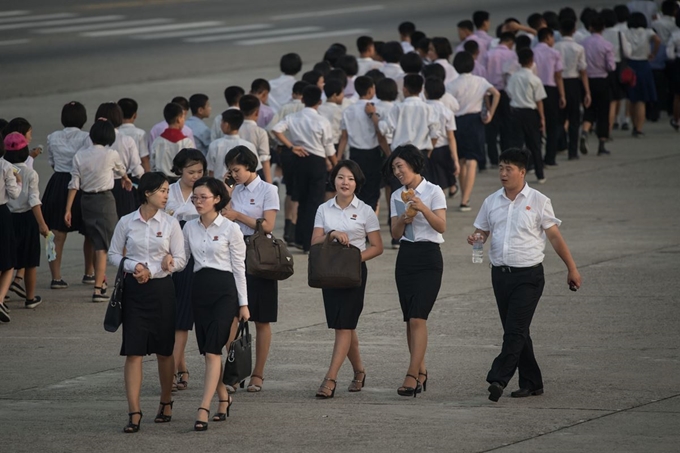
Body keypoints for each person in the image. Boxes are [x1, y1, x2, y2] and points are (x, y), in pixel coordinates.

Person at [468, 147, 582, 402]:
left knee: (514, 331)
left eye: (509, 169)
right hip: (500, 275)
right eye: (500, 168)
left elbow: (554, 237)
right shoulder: (491, 201)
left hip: (528, 276)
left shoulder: (539, 200)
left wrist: (571, 268)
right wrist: (477, 238)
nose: (503, 173)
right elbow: (482, 231)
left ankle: (498, 378)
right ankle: (532, 382)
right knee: (518, 331)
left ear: (522, 172)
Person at [108, 172, 186, 433]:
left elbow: (181, 259)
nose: (167, 195)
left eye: (167, 190)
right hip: (134, 291)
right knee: (134, 351)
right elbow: (114, 254)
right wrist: (134, 266)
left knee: (165, 351)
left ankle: (166, 402)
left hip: (162, 290)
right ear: (147, 193)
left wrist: (152, 269)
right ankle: (134, 411)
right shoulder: (126, 222)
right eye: (162, 191)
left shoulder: (171, 223)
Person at [311, 160, 383, 398]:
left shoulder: (365, 210)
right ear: (334, 180)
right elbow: (314, 241)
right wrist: (331, 234)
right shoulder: (324, 208)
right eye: (341, 177)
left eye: (350, 179)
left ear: (356, 183)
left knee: (344, 325)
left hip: (354, 274)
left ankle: (330, 378)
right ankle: (359, 371)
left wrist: (354, 260)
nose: (345, 182)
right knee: (344, 325)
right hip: (329, 273)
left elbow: (377, 246)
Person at [183, 177, 249, 431]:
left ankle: (203, 408)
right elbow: (182, 260)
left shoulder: (231, 229)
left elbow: (239, 268)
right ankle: (224, 397)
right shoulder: (189, 227)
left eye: (203, 197)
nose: (198, 202)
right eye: (195, 197)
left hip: (225, 293)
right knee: (207, 352)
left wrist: (243, 304)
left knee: (213, 351)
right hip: (199, 292)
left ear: (217, 199)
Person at [387, 145, 446, 397]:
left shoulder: (433, 191)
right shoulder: (395, 196)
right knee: (409, 318)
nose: (397, 172)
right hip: (406, 257)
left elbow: (441, 226)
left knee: (418, 317)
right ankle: (420, 370)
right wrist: (403, 218)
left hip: (429, 257)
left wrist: (422, 208)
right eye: (394, 168)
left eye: (400, 166)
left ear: (413, 164)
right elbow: (395, 234)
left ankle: (411, 375)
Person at [223, 146, 280, 393]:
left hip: (259, 254)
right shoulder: (231, 190)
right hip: (232, 251)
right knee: (231, 314)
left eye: (236, 170)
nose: (233, 174)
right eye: (230, 170)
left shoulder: (269, 190)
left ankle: (258, 374)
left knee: (262, 318)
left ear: (250, 166)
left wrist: (237, 214)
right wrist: (226, 193)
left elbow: (267, 225)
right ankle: (235, 371)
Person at [64, 119, 133, 303]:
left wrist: (68, 209)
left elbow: (74, 184)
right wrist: (126, 179)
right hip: (104, 201)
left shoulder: (80, 155)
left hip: (86, 201)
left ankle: (101, 281)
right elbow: (121, 170)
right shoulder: (111, 154)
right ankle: (100, 287)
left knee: (96, 242)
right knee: (112, 243)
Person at [272, 85, 338, 252]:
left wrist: (291, 146)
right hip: (317, 162)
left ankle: (300, 239)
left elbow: (276, 130)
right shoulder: (322, 121)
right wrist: (336, 164)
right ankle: (311, 242)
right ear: (320, 102)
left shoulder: (293, 117)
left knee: (301, 200)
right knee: (315, 202)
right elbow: (329, 147)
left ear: (302, 100)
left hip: (298, 160)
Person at [41, 101, 94, 289]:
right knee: (88, 232)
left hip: (58, 183)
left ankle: (56, 277)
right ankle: (89, 273)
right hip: (80, 183)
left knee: (56, 234)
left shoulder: (52, 137)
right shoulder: (87, 137)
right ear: (83, 118)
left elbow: (52, 162)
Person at [166, 148, 205, 392]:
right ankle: (180, 366)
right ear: (179, 170)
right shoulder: (167, 191)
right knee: (170, 316)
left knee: (182, 318)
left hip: (194, 258)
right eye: (191, 171)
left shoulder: (205, 193)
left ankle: (174, 368)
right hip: (167, 258)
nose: (195, 176)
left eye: (200, 171)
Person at [446, 52, 500, 211]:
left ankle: (464, 195)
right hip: (475, 121)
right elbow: (496, 93)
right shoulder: (480, 81)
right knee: (472, 161)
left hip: (458, 121)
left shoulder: (452, 84)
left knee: (461, 160)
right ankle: (465, 199)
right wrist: (491, 113)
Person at [4, 132, 49, 309]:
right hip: (27, 218)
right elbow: (34, 200)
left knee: (6, 258)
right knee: (30, 260)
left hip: (7, 217)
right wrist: (42, 224)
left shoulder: (4, 168)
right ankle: (30, 298)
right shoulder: (30, 173)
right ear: (25, 152)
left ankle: (3, 294)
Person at [338, 76, 385, 211]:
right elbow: (380, 134)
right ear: (371, 90)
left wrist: (339, 157)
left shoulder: (348, 111)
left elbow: (344, 137)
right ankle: (369, 219)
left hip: (355, 154)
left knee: (358, 188)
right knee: (373, 189)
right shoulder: (374, 110)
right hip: (373, 153)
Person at [93, 102, 144, 218]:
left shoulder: (90, 139)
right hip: (122, 185)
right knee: (125, 224)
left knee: (97, 228)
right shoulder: (127, 140)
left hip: (97, 185)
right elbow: (137, 169)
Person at [506, 48, 547, 184]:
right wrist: (542, 117)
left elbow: (510, 93)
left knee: (516, 146)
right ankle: (540, 174)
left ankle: (513, 175)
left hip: (516, 112)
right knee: (535, 144)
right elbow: (539, 100)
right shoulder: (535, 79)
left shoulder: (513, 77)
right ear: (531, 61)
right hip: (530, 113)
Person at [555, 19, 592, 161]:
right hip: (573, 83)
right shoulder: (578, 48)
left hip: (558, 82)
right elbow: (583, 71)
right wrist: (587, 91)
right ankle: (573, 152)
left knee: (560, 117)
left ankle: (560, 143)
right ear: (574, 30)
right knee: (574, 118)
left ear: (560, 30)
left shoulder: (555, 47)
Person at [581, 14, 616, 155]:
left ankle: (584, 131)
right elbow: (611, 66)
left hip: (586, 80)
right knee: (603, 112)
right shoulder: (607, 45)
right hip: (602, 80)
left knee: (588, 108)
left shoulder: (582, 43)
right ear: (603, 28)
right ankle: (601, 144)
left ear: (590, 27)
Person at [532, 27, 565, 167]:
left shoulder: (532, 52)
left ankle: (536, 158)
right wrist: (562, 95)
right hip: (551, 90)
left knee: (536, 124)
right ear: (547, 37)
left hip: (534, 88)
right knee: (553, 125)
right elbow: (558, 75)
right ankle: (550, 157)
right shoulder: (554, 53)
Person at [624, 12, 661, 136]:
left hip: (630, 64)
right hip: (644, 64)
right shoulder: (648, 32)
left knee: (631, 97)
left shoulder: (626, 32)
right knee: (642, 99)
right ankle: (638, 128)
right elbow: (658, 40)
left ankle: (632, 123)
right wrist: (654, 53)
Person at [424, 76, 460, 192]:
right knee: (441, 187)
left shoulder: (423, 109)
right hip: (442, 151)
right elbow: (451, 137)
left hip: (424, 149)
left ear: (425, 92)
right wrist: (455, 160)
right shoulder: (447, 112)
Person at [0, 134, 22, 323]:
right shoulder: (6, 166)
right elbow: (14, 194)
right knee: (8, 261)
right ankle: (0, 298)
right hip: (2, 213)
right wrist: (19, 182)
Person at [207, 109, 260, 181]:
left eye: (222, 122)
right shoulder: (249, 145)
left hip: (220, 185)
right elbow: (254, 170)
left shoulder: (215, 145)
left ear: (226, 125)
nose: (220, 125)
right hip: (243, 185)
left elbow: (211, 171)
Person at [149, 103, 195, 177]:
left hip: (162, 181)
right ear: (179, 119)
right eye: (183, 118)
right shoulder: (186, 142)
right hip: (181, 182)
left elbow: (152, 164)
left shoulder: (157, 142)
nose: (184, 120)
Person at [238, 95, 272, 183]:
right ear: (257, 113)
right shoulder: (260, 132)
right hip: (255, 174)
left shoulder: (235, 130)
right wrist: (269, 183)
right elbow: (264, 158)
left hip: (236, 172)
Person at [118, 98, 150, 172]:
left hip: (119, 174)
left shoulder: (115, 133)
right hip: (135, 174)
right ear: (135, 115)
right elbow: (144, 158)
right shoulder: (140, 133)